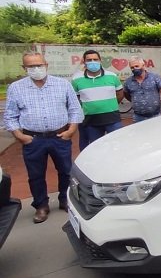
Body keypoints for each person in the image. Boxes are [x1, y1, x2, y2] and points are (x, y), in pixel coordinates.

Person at [3, 52, 84, 223]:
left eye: (39, 65)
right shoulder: (16, 88)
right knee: (36, 175)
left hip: (60, 137)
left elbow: (75, 109)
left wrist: (71, 130)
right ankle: (41, 205)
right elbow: (10, 116)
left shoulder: (62, 84)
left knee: (66, 171)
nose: (36, 69)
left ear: (46, 65)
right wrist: (20, 136)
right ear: (24, 68)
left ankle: (65, 199)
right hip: (32, 139)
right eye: (31, 66)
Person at [72, 49, 124, 150]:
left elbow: (120, 94)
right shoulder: (76, 79)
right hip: (91, 121)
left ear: (100, 60)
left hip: (113, 119)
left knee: (118, 146)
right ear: (84, 62)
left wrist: (108, 105)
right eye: (89, 60)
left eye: (95, 59)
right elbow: (77, 99)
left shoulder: (112, 76)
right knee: (95, 148)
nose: (93, 62)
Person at [123, 56, 161, 123]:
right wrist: (135, 101)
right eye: (132, 67)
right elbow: (126, 94)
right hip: (138, 117)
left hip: (155, 116)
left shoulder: (155, 77)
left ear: (143, 65)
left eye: (136, 66)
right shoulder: (128, 82)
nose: (134, 69)